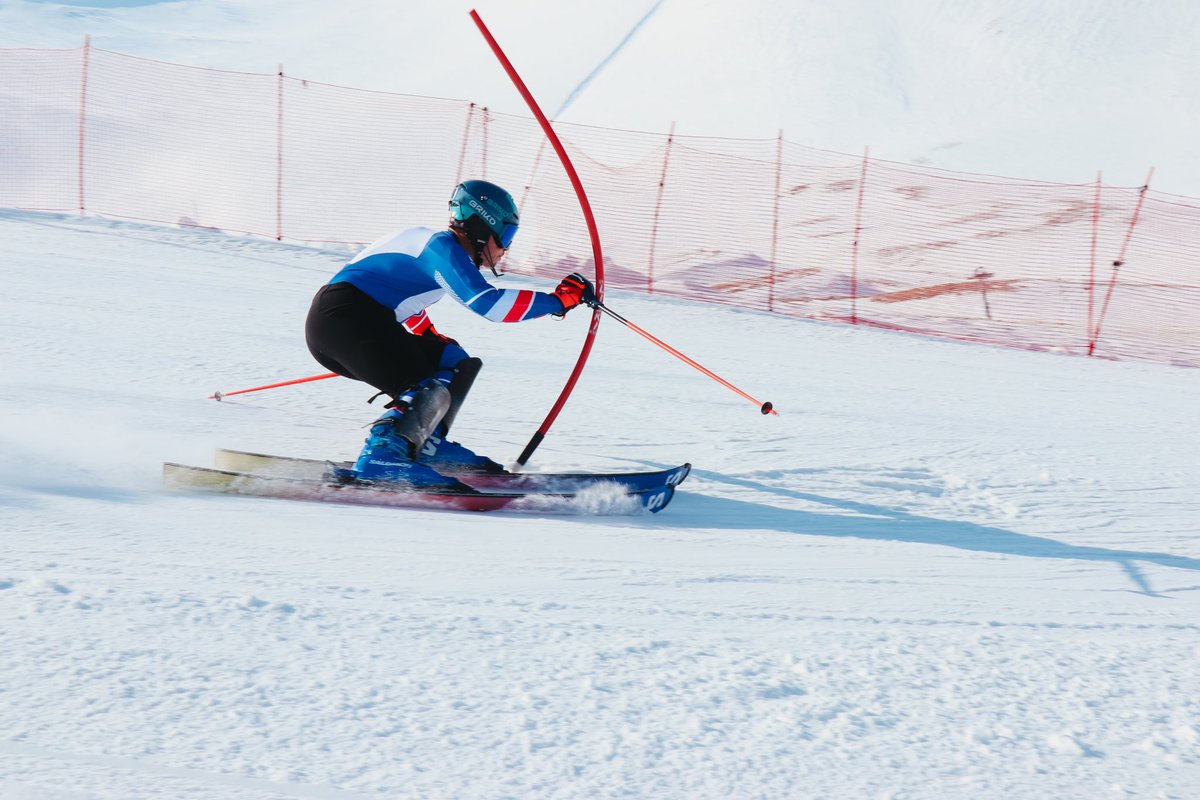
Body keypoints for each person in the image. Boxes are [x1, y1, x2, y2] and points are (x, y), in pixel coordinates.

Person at [305, 179, 596, 485]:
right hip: (343, 319)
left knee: (453, 360)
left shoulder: (440, 252)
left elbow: (405, 299)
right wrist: (558, 301)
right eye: (506, 235)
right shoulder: (440, 248)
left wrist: (429, 333)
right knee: (420, 385)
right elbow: (488, 304)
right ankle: (382, 456)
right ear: (483, 226)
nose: (506, 249)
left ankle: (424, 441)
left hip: (354, 319)